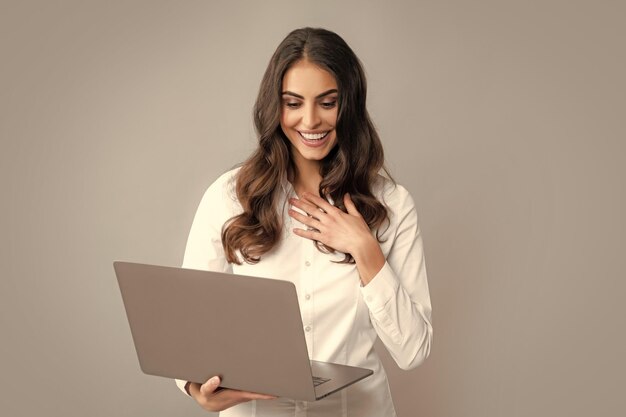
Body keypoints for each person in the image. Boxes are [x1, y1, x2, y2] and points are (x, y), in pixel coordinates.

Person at [175, 27, 432, 416]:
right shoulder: (227, 198)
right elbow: (187, 328)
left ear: (350, 104)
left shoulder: (392, 206)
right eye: (292, 103)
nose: (310, 120)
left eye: (328, 102)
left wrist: (366, 249)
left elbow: (413, 350)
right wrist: (195, 386)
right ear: (273, 107)